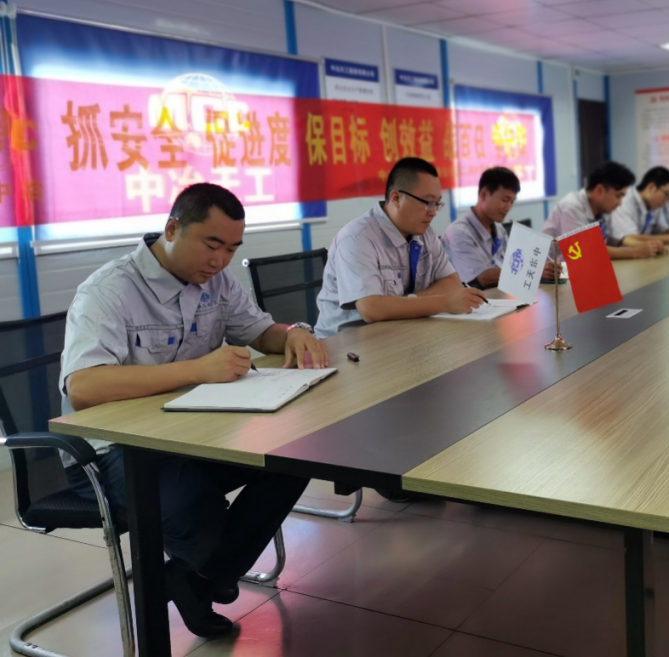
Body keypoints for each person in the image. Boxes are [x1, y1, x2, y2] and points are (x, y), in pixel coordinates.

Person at [61, 183, 329, 638]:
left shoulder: (217, 282)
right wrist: (197, 371)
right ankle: (203, 576)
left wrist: (294, 332)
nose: (220, 260)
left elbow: (259, 331)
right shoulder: (109, 291)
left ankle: (197, 578)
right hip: (114, 451)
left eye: (232, 249)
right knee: (193, 507)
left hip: (190, 434)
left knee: (292, 458)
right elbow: (83, 387)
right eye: (211, 244)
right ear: (172, 229)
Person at [315, 157, 484, 336]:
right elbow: (371, 309)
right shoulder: (357, 238)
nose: (433, 212)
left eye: (437, 203)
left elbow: (452, 282)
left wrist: (401, 305)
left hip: (400, 331)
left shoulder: (425, 233)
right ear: (396, 198)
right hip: (347, 342)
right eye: (427, 202)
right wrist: (444, 303)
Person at [443, 166, 555, 287]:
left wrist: (543, 267)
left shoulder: (499, 228)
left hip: (502, 294)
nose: (508, 207)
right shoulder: (458, 232)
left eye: (512, 202)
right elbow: (483, 277)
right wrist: (533, 272)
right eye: (505, 200)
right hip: (479, 297)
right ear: (484, 194)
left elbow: (512, 265)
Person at [542, 162, 665, 259]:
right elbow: (585, 251)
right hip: (553, 275)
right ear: (600, 190)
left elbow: (615, 239)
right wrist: (635, 252)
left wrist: (649, 245)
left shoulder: (603, 210)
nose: (620, 203)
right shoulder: (571, 207)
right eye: (618, 196)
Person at [609, 166, 669, 247]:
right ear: (651, 188)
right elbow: (629, 239)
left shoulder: (654, 205)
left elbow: (663, 230)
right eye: (666, 195)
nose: (666, 201)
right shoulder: (625, 202)